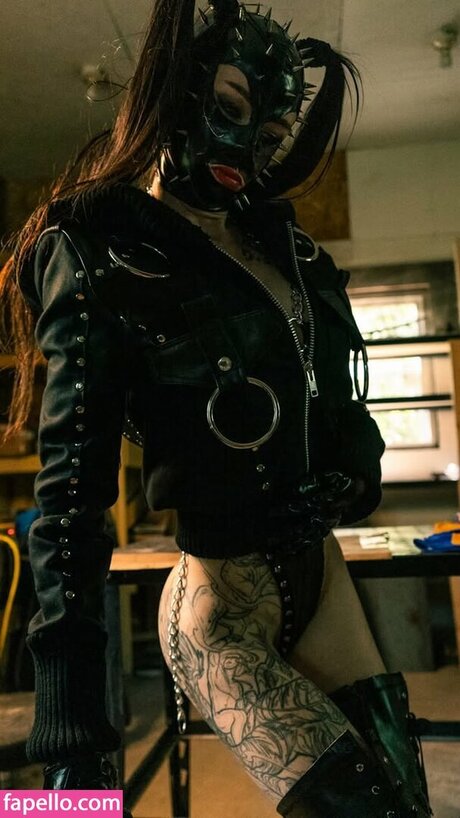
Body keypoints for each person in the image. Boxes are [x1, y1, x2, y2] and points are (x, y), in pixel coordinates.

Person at [0, 1, 433, 815]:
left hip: (324, 581)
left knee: (404, 805)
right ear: (178, 89)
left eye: (270, 136)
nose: (244, 150)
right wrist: (72, 732)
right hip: (219, 611)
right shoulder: (100, 251)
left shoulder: (284, 249)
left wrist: (355, 459)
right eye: (228, 108)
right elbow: (68, 508)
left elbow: (331, 394)